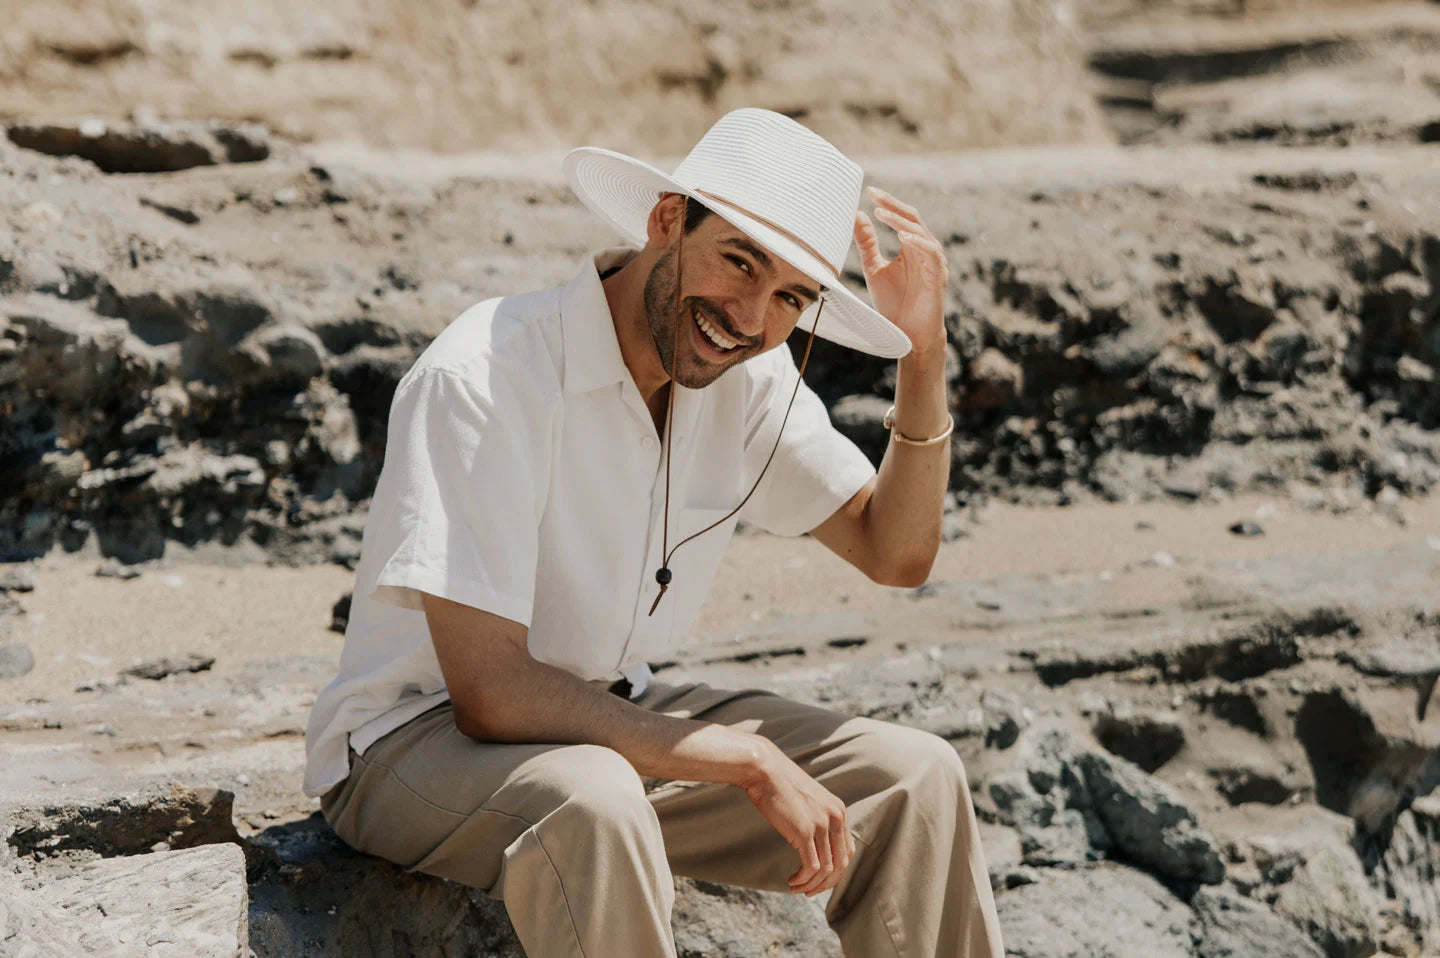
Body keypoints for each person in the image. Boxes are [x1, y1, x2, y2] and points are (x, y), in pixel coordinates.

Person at [303, 107, 1003, 957]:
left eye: (790, 297)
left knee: (914, 780)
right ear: (666, 221)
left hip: (609, 722)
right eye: (738, 262)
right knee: (596, 797)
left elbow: (896, 553)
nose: (749, 317)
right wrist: (744, 761)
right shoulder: (488, 373)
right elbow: (490, 692)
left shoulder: (752, 380)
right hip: (413, 742)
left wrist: (921, 356)